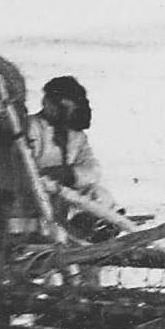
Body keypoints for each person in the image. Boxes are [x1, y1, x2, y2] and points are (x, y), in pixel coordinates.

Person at [33, 75, 129, 244]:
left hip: (65, 196)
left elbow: (92, 169)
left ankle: (97, 224)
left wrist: (71, 174)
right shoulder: (32, 128)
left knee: (99, 193)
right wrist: (46, 175)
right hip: (38, 195)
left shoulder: (76, 137)